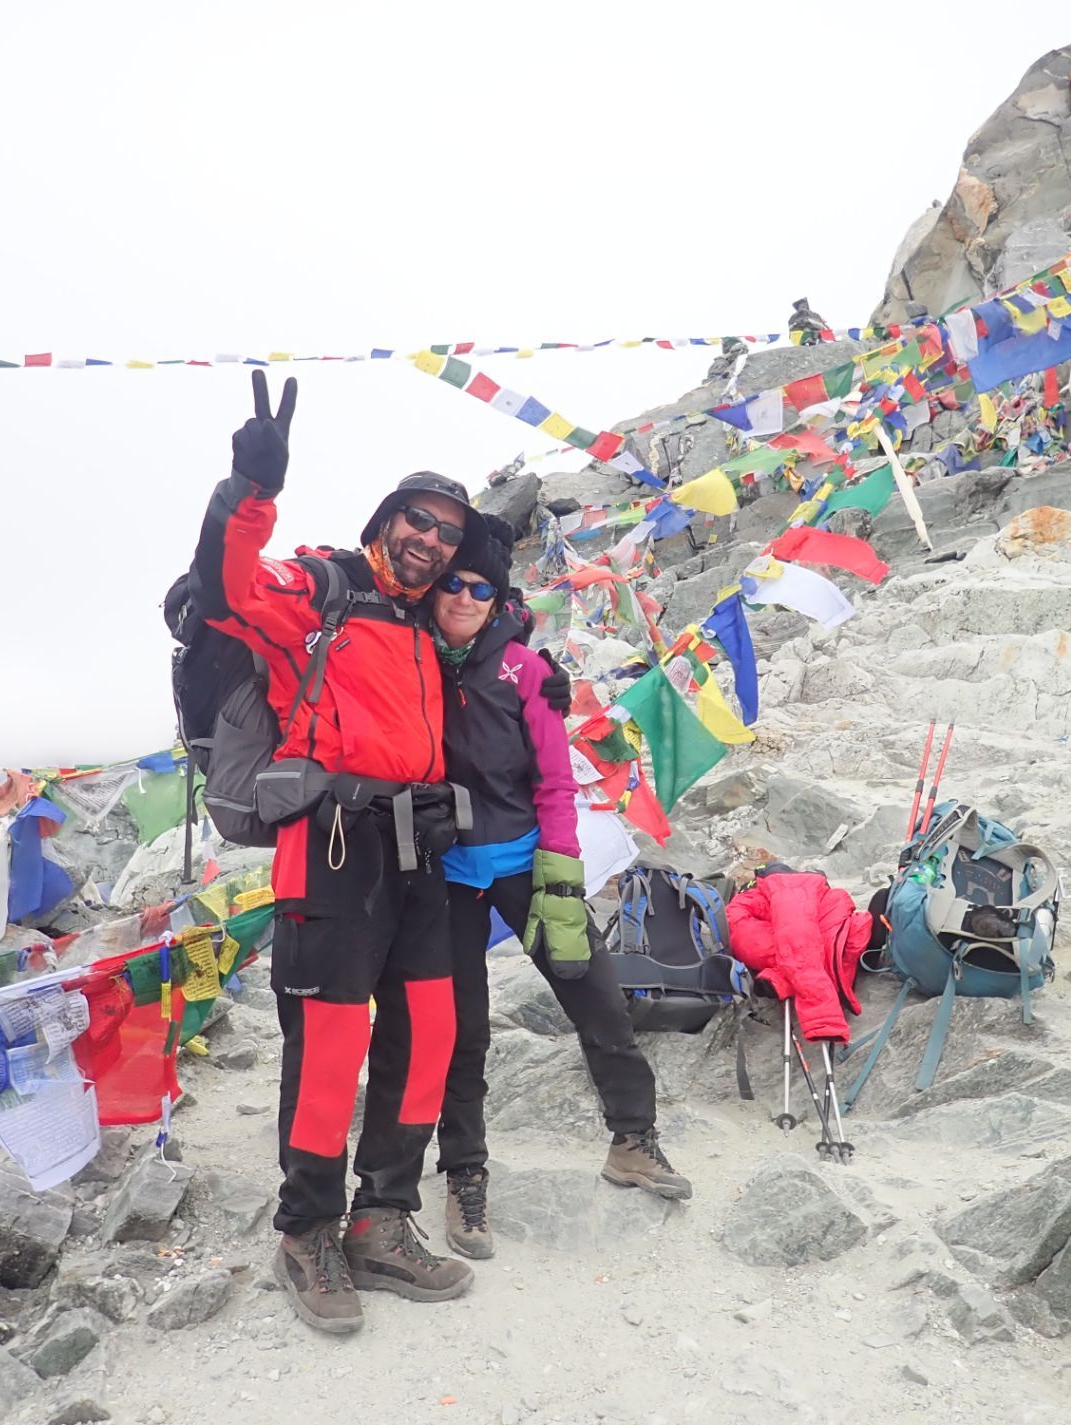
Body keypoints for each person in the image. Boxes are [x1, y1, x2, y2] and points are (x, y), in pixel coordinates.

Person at [189, 370, 486, 1336]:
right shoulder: (325, 586)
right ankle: (306, 1231)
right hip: (328, 847)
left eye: (446, 533)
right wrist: (249, 494)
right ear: (385, 519)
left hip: (416, 853)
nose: (431, 540)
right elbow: (227, 586)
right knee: (330, 1047)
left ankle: (382, 1220)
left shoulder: (422, 623)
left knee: (430, 1035)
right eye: (418, 520)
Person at [428, 517, 691, 1262]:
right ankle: (464, 1175)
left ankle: (633, 1141)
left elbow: (552, 781)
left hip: (523, 862)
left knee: (596, 996)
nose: (465, 595)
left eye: (482, 585)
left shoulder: (523, 671)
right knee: (461, 1032)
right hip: (442, 873)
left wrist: (561, 874)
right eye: (453, 581)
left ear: (497, 594)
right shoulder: (411, 656)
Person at [725, 862, 872, 1044]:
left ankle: (793, 988)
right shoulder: (768, 894)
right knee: (798, 944)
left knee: (796, 943)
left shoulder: (787, 884)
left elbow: (797, 941)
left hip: (808, 936)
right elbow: (797, 944)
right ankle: (815, 1006)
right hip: (815, 938)